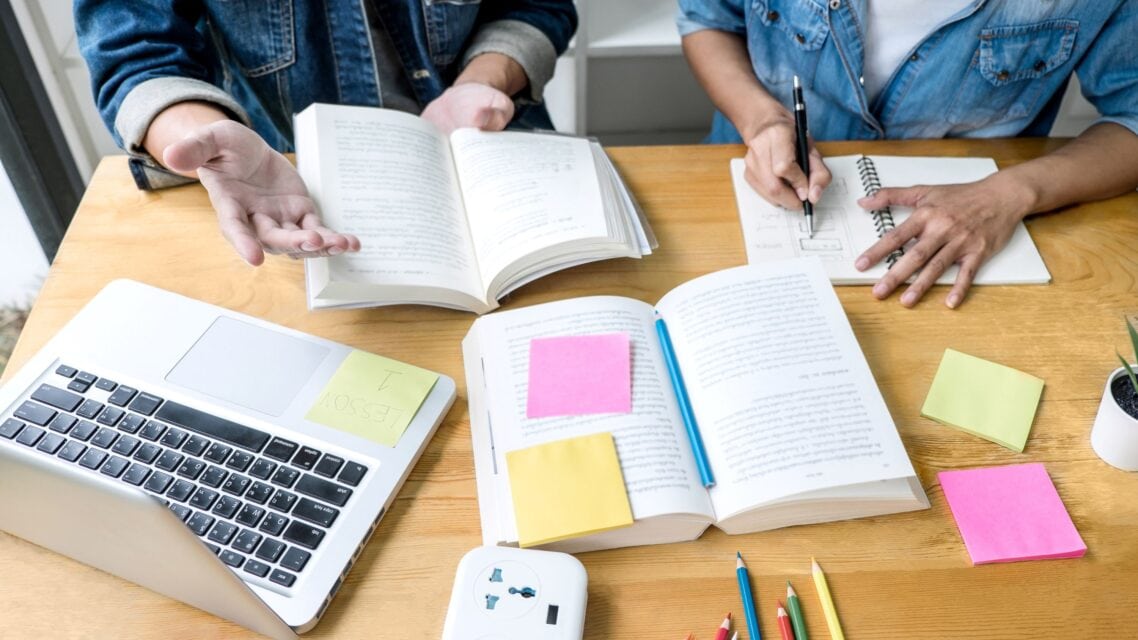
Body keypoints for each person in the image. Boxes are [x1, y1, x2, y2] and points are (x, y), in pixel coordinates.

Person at [678, 1, 1138, 308]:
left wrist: (1013, 191)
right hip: (742, 191)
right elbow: (708, 19)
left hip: (979, 253)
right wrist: (761, 121)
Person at [76, 1, 577, 265]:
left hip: (486, 145)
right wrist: (206, 139)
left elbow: (537, 5)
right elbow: (135, 52)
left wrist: (481, 84)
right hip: (289, 182)